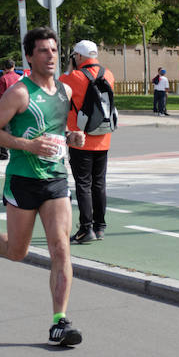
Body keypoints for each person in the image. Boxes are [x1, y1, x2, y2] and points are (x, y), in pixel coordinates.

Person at [0, 27, 86, 346]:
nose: (50, 56)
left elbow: (60, 132)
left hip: (56, 179)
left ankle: (59, 321)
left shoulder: (65, 92)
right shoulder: (19, 93)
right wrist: (28, 145)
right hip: (22, 179)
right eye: (43, 51)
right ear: (30, 56)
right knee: (18, 252)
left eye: (54, 50)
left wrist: (73, 139)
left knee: (60, 246)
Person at [61, 40, 115, 243]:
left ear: (79, 57)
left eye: (74, 56)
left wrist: (70, 69)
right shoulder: (108, 74)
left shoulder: (72, 77)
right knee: (99, 183)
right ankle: (100, 227)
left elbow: (60, 92)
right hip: (103, 137)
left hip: (79, 137)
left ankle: (86, 228)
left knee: (83, 184)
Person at [0, 59, 19, 160]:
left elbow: (1, 95)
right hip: (19, 106)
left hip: (7, 107)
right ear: (13, 66)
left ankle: (4, 153)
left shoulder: (3, 78)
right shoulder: (19, 77)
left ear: (5, 67)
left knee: (3, 131)